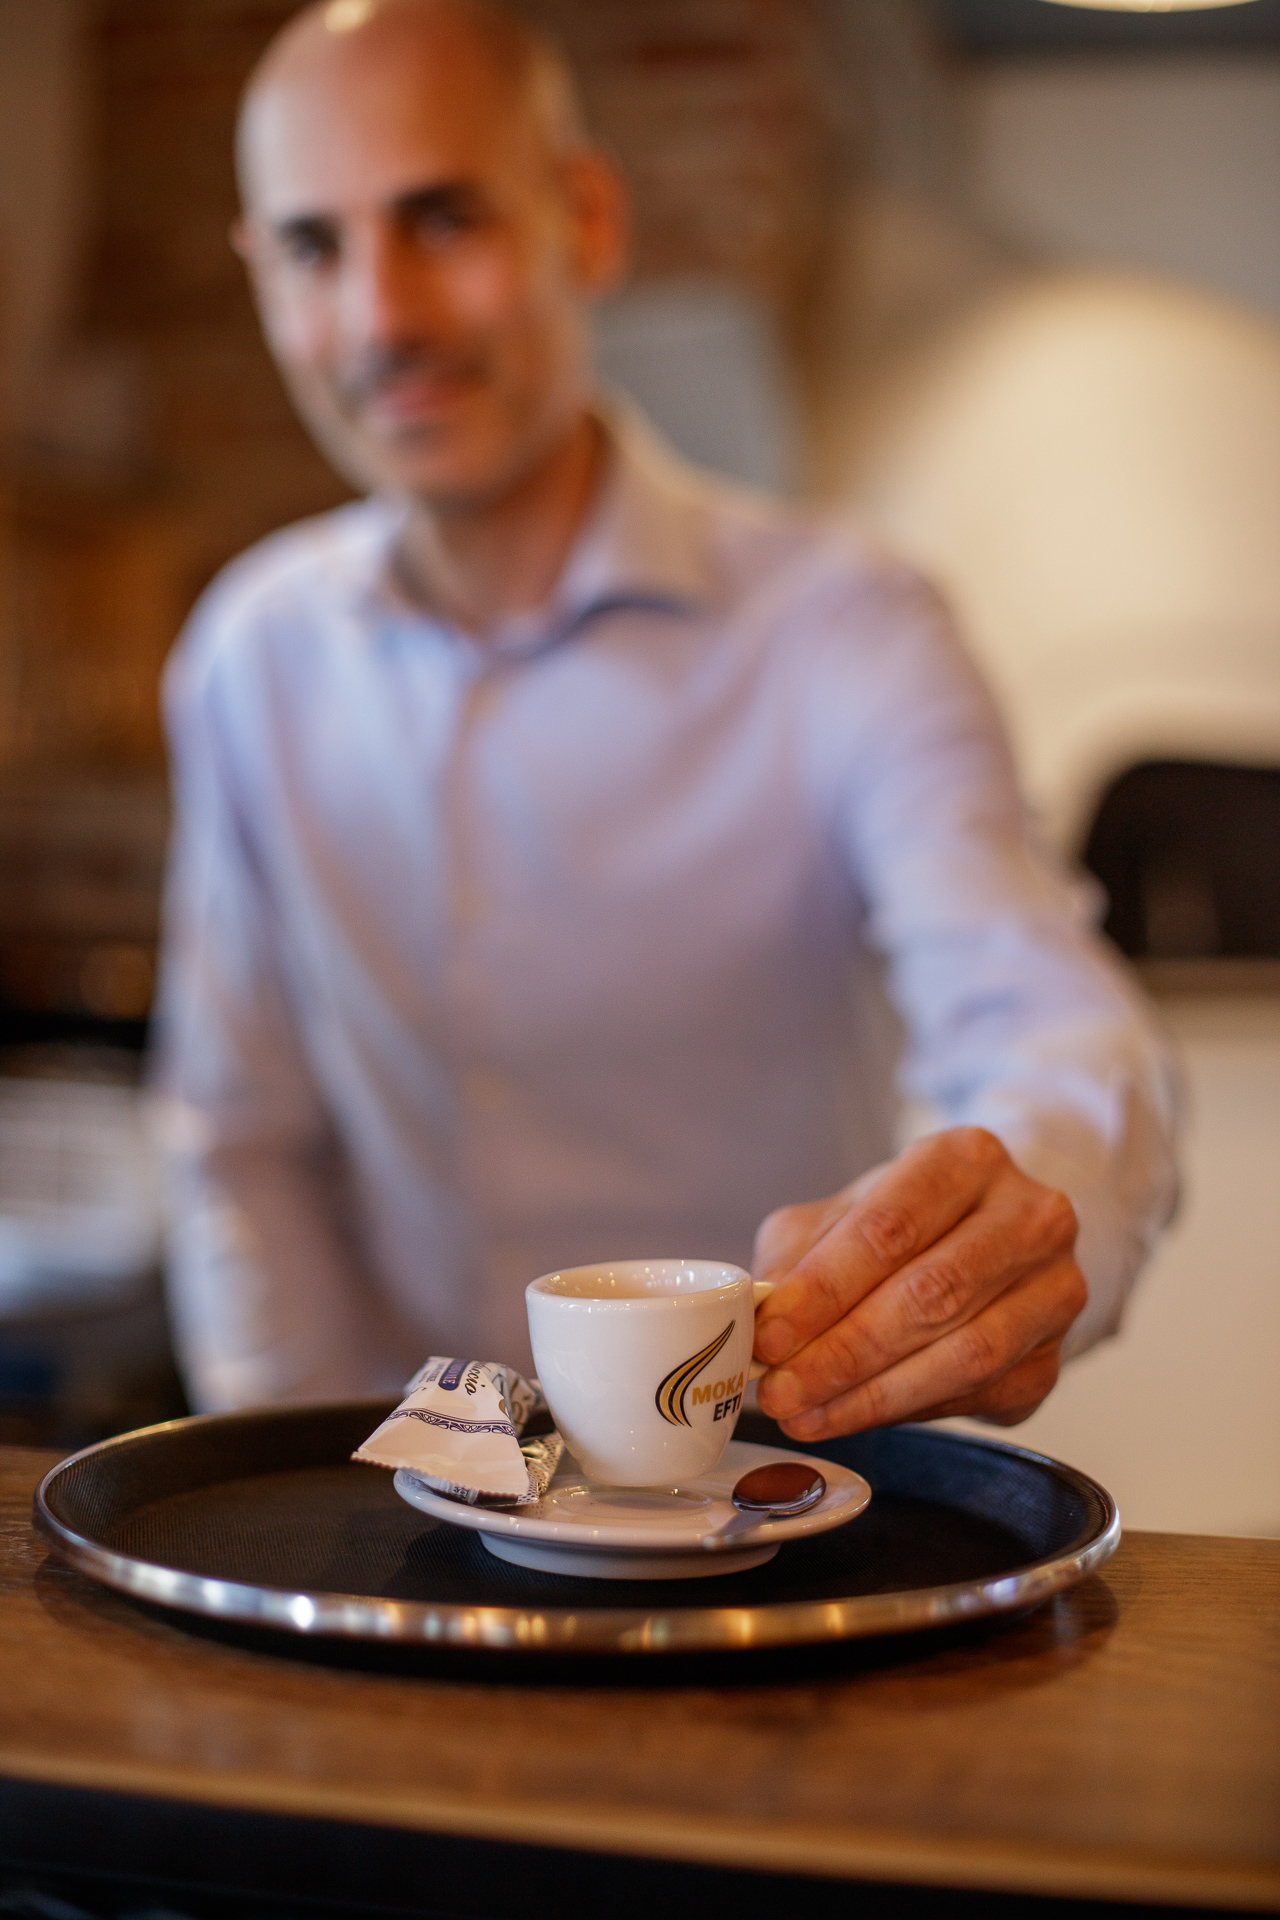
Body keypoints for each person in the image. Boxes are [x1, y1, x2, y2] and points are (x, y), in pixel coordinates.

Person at [155, 0, 1177, 1441]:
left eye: (444, 219)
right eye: (315, 247)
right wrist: (307, 1486)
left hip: (785, 1505)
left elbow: (1047, 1017)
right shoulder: (248, 657)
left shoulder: (847, 628)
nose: (383, 318)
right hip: (407, 1528)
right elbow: (239, 1140)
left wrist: (1026, 1198)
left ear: (586, 220)